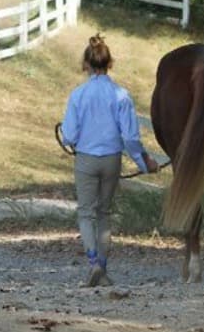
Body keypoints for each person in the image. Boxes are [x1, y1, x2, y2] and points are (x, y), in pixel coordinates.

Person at [60, 33, 158, 287]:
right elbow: (130, 137)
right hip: (112, 158)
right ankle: (102, 268)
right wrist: (142, 162)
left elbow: (69, 135)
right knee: (104, 212)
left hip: (86, 159)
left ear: (86, 64)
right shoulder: (121, 95)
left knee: (86, 212)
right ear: (109, 63)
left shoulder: (78, 95)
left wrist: (72, 140)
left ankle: (92, 263)